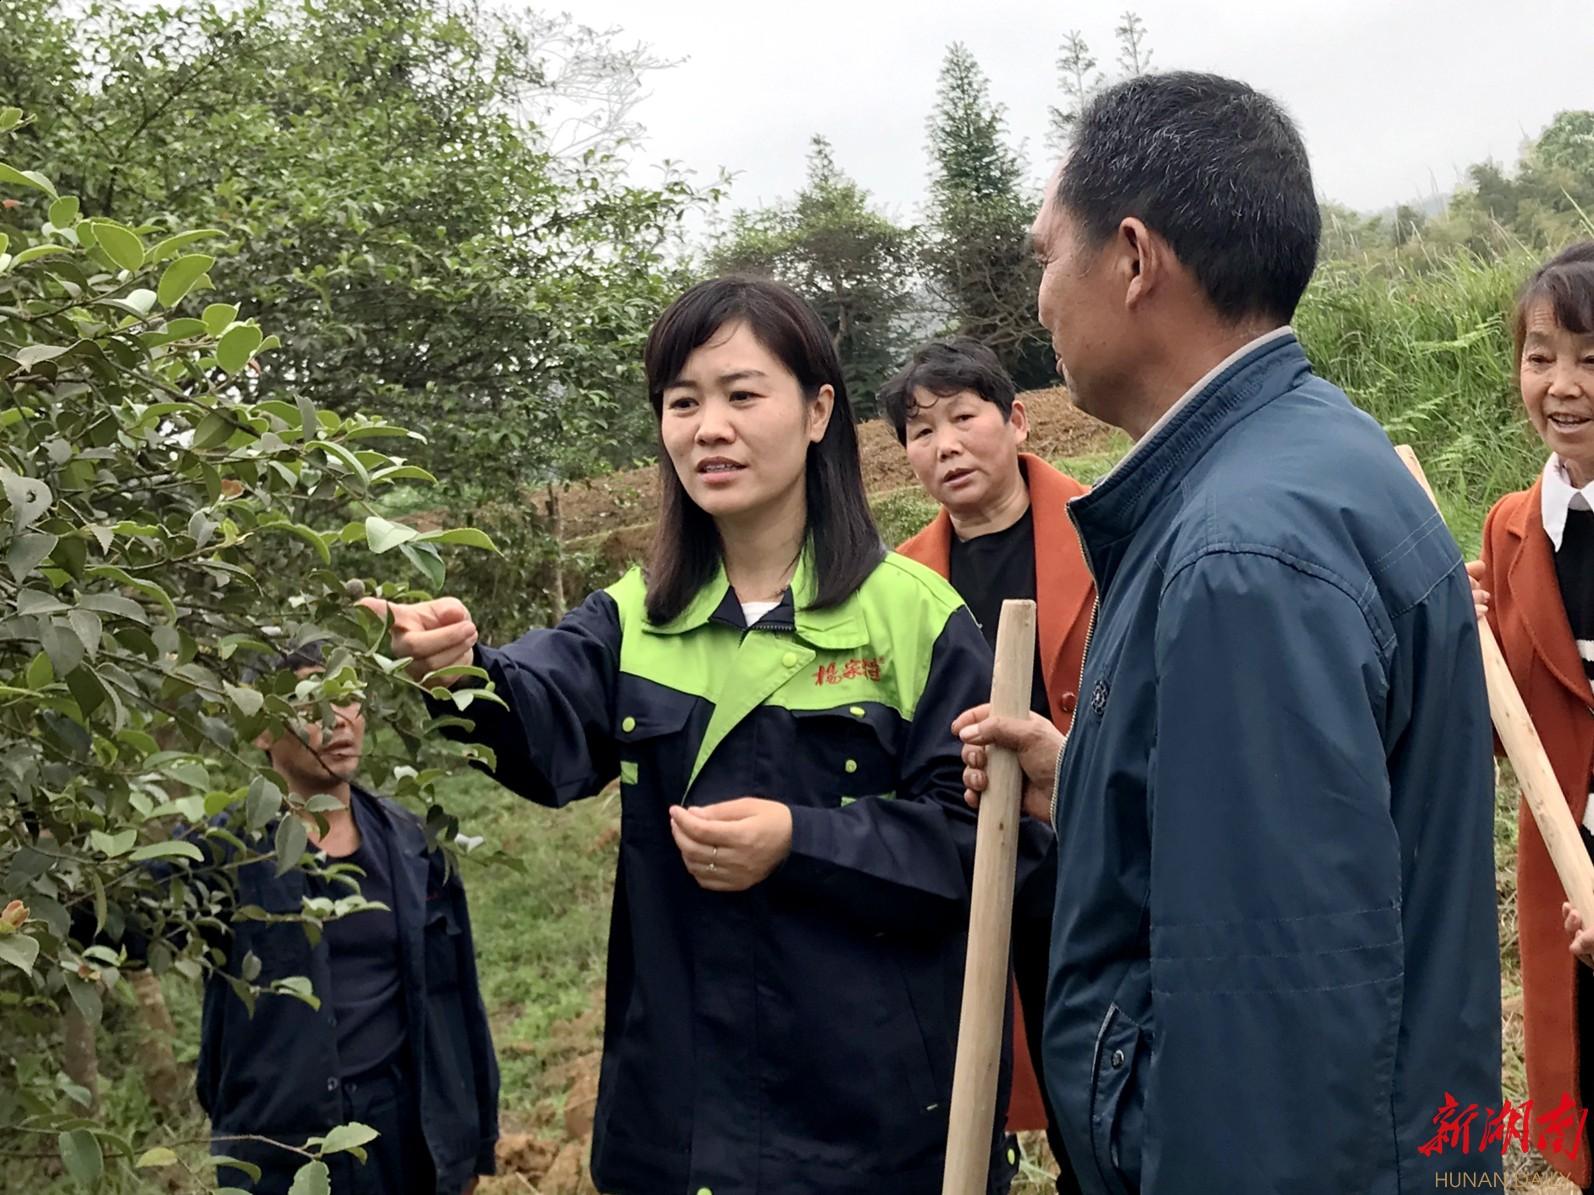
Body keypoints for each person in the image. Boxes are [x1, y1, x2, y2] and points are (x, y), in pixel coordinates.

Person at [361, 277, 1030, 1194]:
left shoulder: (913, 621)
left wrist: (803, 840)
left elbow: (975, 850)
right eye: (683, 402)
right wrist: (457, 667)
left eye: (741, 394)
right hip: (680, 1124)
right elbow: (540, 727)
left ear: (817, 410)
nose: (708, 427)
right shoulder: (637, 618)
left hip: (872, 1130)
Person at [956, 72, 1501, 1192]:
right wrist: (1101, 782)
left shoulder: (1240, 555)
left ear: (1135, 259)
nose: (1043, 297)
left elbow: (1275, 1021)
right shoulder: (1315, 456)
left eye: (1048, 254)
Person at [111, 646, 500, 1195]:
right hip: (281, 1148)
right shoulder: (227, 853)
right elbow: (122, 925)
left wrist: (472, 1144)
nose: (336, 719)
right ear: (262, 731)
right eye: (308, 703)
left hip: (407, 1134)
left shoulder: (415, 845)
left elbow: (458, 999)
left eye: (346, 698)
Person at [882, 337, 1093, 1193]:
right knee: (969, 1087)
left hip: (1078, 846)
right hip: (960, 867)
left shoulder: (1102, 528)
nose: (946, 445)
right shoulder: (899, 580)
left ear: (1014, 420)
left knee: (1088, 1069)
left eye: (964, 417)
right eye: (921, 430)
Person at [1467, 241, 1594, 1190]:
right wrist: (1461, 641)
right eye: (1541, 354)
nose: (1562, 385)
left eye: (1591, 358)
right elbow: (1505, 720)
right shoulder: (1511, 530)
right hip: (1566, 877)